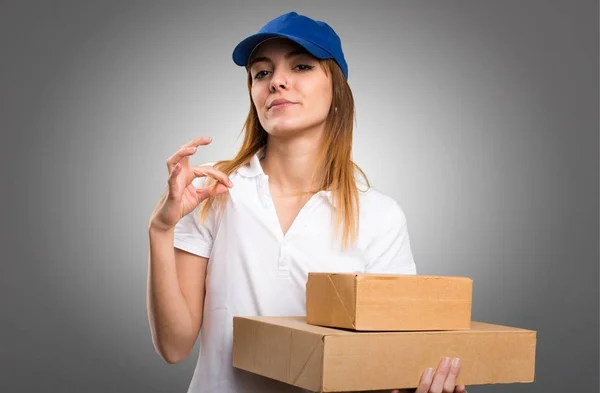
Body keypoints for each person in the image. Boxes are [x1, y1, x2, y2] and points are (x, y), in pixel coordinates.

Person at [147, 11, 468, 393]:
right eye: (262, 73)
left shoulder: (380, 215)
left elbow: (387, 357)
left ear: (336, 90)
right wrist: (160, 229)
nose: (277, 82)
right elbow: (174, 346)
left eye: (301, 66)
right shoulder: (213, 189)